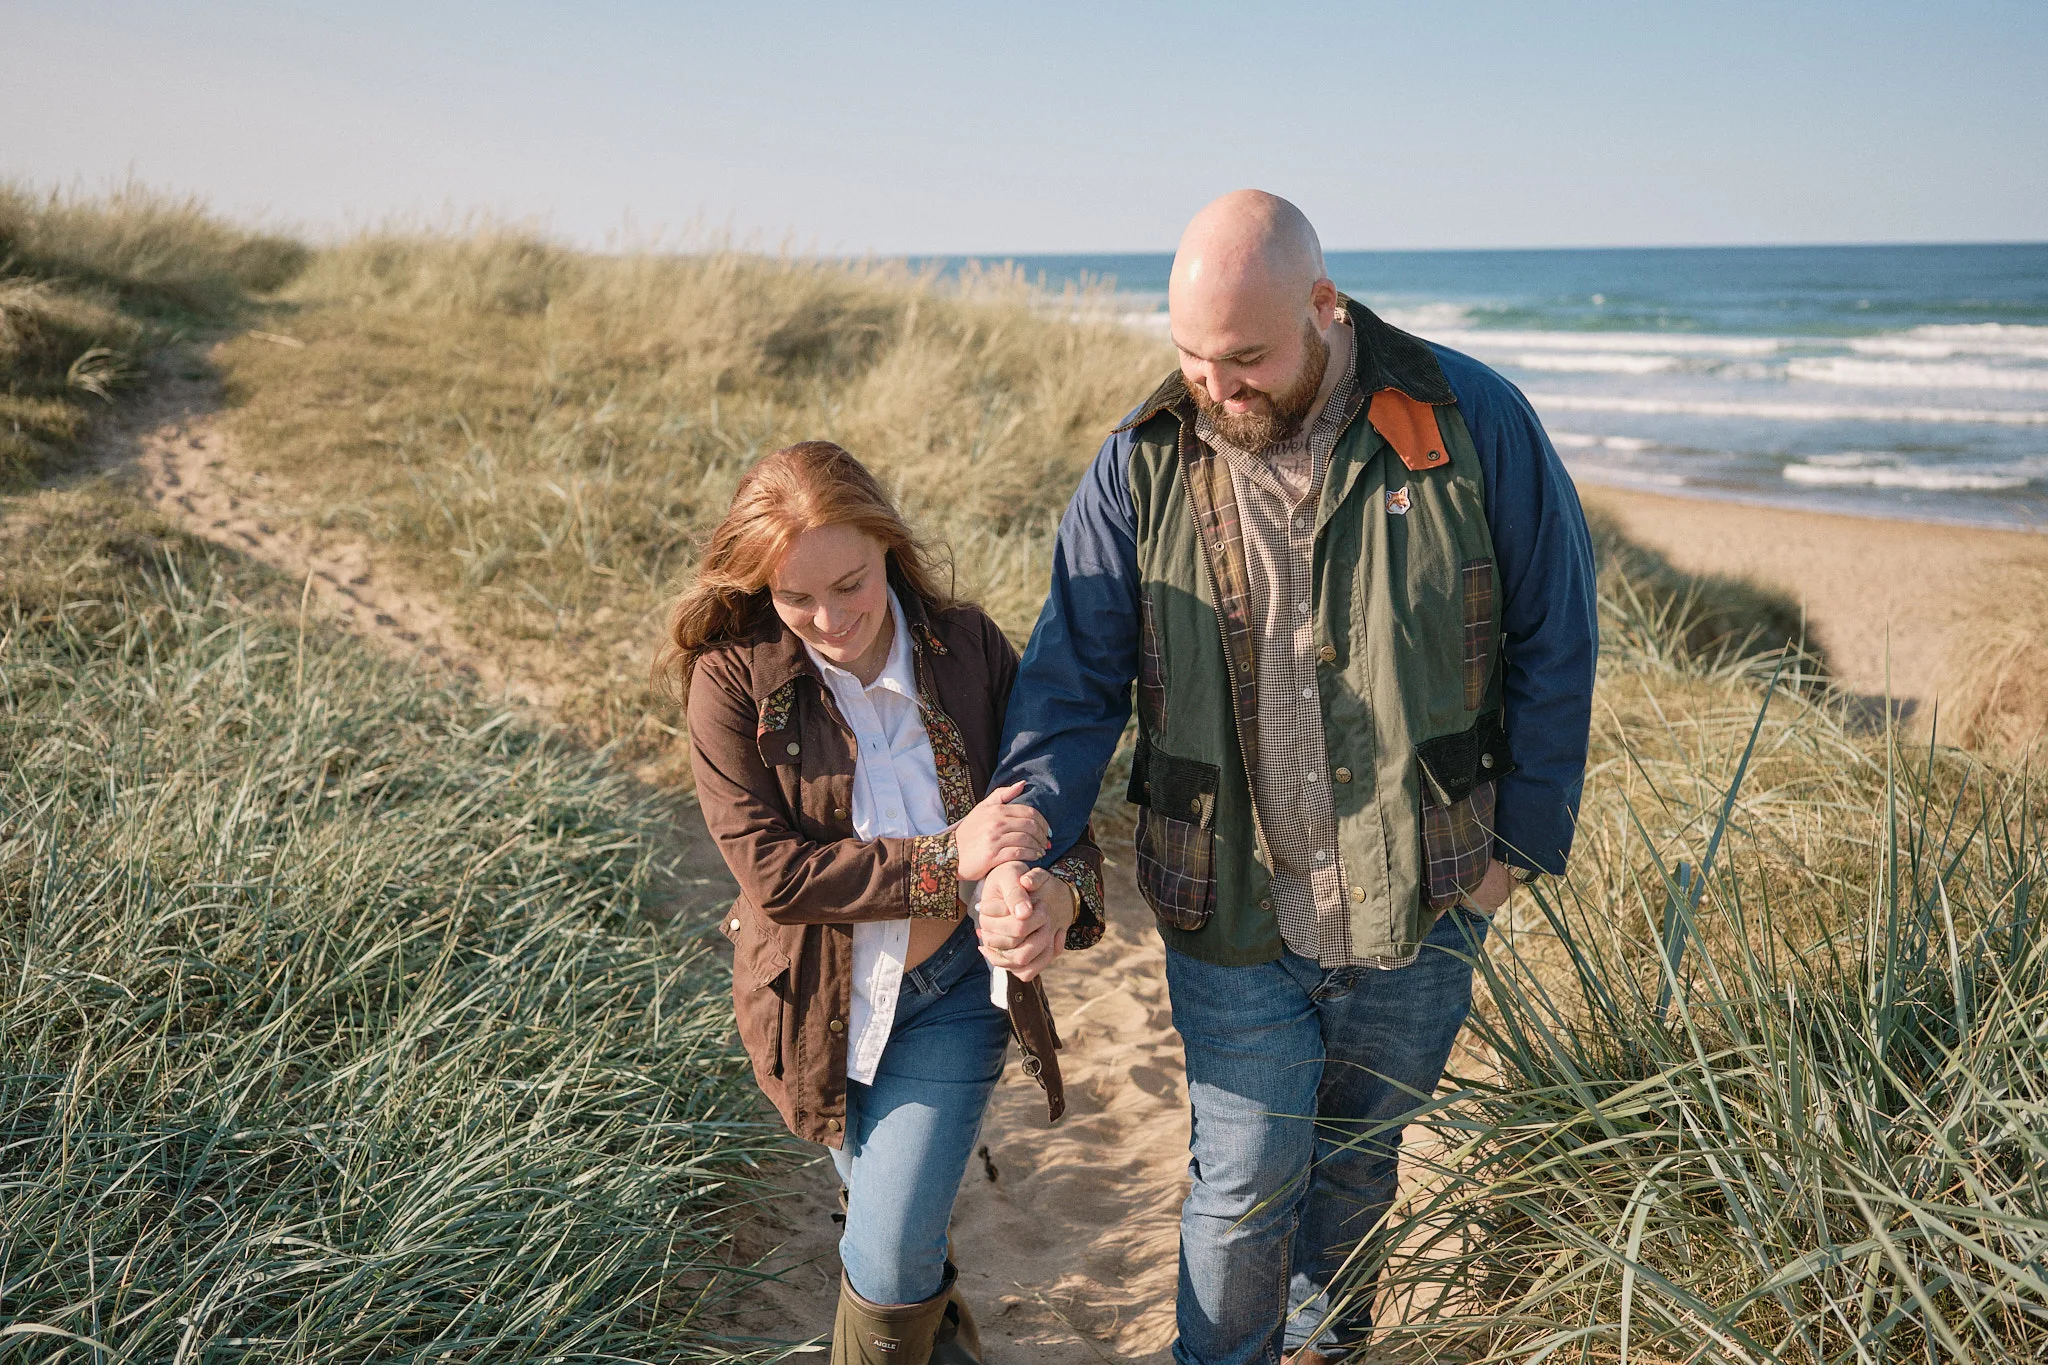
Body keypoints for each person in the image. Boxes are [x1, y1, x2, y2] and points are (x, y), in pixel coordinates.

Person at [974, 191, 1598, 1362]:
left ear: (1324, 306)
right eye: (1191, 356)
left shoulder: (1471, 420)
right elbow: (1070, 684)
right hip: (1228, 903)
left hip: (1427, 891)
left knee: (1359, 1164)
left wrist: (1513, 855)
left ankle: (1327, 1345)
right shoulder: (1137, 462)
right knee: (1246, 1174)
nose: (1217, 386)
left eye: (1247, 357)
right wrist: (1025, 835)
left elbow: (1555, 636)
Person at [662, 441, 1106, 1364]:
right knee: (897, 1245)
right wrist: (949, 860)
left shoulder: (970, 646)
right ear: (759, 588)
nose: (830, 619)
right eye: (796, 598)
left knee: (888, 1246)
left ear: (888, 546)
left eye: (851, 584)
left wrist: (1057, 895)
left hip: (954, 997)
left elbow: (1049, 816)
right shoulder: (730, 681)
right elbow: (774, 873)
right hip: (818, 1013)